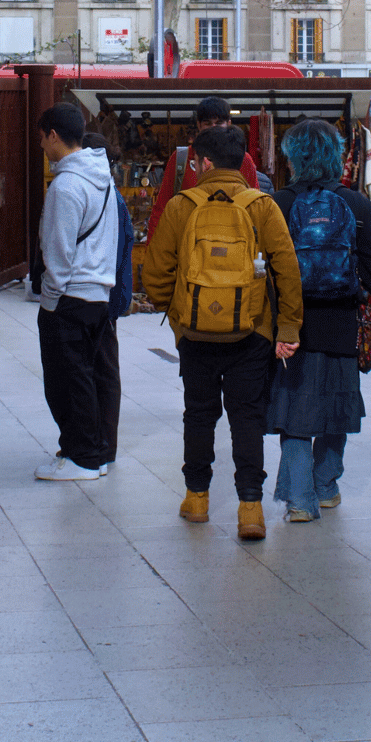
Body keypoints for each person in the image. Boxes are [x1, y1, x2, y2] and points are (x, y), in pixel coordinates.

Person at [143, 125, 302, 541]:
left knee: (198, 414)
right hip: (251, 332)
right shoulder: (262, 205)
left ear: (205, 163)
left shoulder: (182, 205)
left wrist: (177, 313)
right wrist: (286, 327)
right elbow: (287, 269)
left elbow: (156, 271)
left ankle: (197, 499)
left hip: (195, 334)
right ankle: (251, 509)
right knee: (247, 416)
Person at [267, 119, 371, 522]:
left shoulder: (279, 203)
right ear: (336, 155)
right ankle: (326, 485)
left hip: (292, 325)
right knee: (338, 405)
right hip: (341, 324)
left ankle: (300, 501)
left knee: (295, 409)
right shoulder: (355, 204)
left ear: (294, 158)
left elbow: (266, 271)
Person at [33, 103, 119, 481]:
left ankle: (81, 457)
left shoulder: (66, 186)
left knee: (68, 381)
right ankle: (91, 451)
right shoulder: (102, 177)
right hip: (98, 293)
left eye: (41, 138)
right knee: (88, 377)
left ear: (53, 135)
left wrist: (49, 301)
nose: (41, 146)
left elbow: (58, 253)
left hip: (69, 297)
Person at [81, 131, 135, 472]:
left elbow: (114, 252)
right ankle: (101, 442)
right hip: (105, 296)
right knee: (101, 369)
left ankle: (102, 444)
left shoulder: (107, 197)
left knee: (100, 370)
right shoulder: (108, 194)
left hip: (101, 297)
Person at [146, 97, 259, 236]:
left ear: (229, 124)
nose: (213, 128)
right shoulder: (180, 158)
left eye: (219, 123)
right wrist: (153, 253)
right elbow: (161, 210)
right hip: (187, 247)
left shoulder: (243, 159)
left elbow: (255, 207)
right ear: (199, 125)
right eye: (208, 123)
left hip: (234, 245)